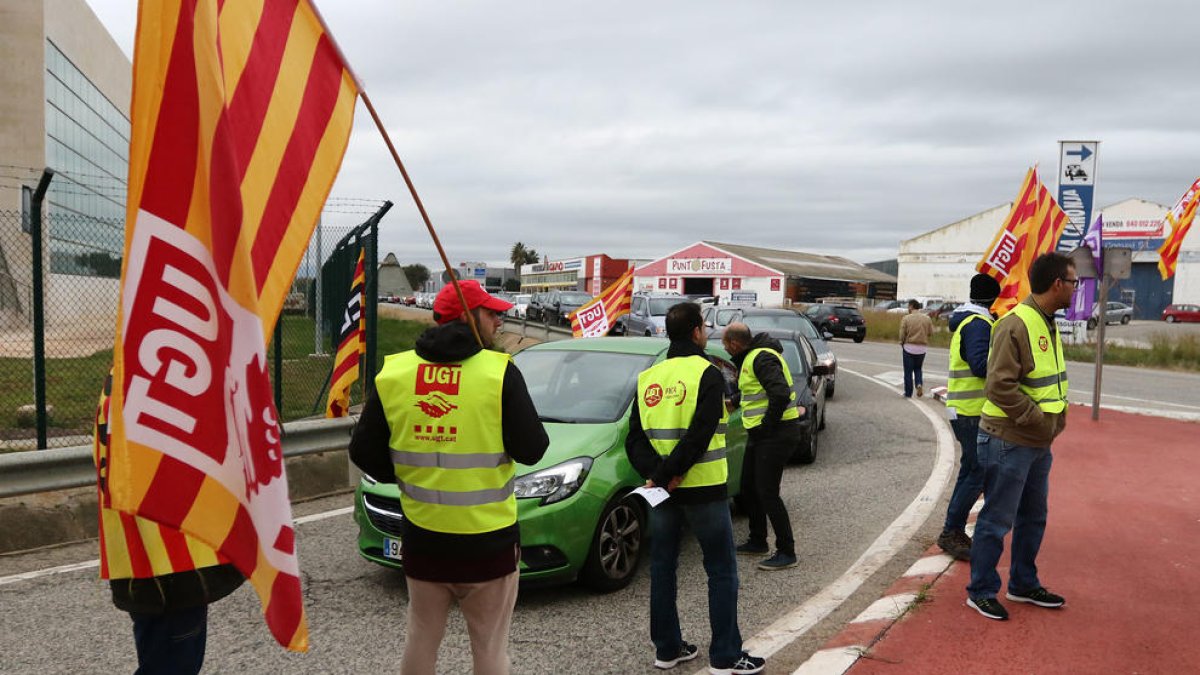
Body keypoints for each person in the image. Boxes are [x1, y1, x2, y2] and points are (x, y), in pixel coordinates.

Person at [349, 279, 549, 674]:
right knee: (490, 651)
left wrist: (410, 472)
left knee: (421, 641)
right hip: (489, 545)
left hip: (424, 540)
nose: (498, 321)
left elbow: (362, 451)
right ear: (467, 316)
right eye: (491, 313)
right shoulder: (499, 372)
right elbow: (533, 449)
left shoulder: (395, 373)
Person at [626, 303, 766, 675]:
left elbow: (634, 440)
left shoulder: (649, 377)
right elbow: (701, 433)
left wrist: (657, 475)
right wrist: (672, 473)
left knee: (662, 568)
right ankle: (725, 654)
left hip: (662, 492)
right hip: (703, 488)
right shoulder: (708, 373)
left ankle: (667, 649)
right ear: (696, 332)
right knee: (720, 570)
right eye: (703, 326)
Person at [93, 371, 245, 675]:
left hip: (138, 562)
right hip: (172, 568)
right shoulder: (159, 384)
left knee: (156, 658)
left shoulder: (123, 373)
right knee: (173, 665)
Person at [966, 253, 1073, 621]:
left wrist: (1052, 423)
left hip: (1037, 442)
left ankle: (1023, 583)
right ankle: (980, 590)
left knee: (1033, 516)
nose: (1077, 288)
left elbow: (1047, 381)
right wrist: (1035, 420)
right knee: (997, 519)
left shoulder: (1047, 321)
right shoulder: (1016, 323)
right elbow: (999, 385)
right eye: (1073, 282)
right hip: (1008, 439)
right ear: (1057, 283)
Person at [720, 322, 803, 571]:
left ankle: (787, 551)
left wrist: (766, 426)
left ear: (734, 344)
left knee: (767, 492)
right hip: (762, 434)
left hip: (776, 434)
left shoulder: (761, 357)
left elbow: (779, 394)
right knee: (748, 486)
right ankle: (758, 540)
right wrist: (734, 400)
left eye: (725, 345)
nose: (725, 349)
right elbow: (755, 391)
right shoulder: (751, 358)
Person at [937, 274, 1001, 561]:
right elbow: (979, 365)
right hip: (971, 412)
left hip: (964, 410)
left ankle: (954, 529)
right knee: (978, 473)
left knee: (971, 470)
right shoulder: (978, 325)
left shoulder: (969, 321)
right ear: (993, 298)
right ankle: (951, 531)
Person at [898, 299, 934, 397]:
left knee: (908, 371)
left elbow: (902, 333)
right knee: (918, 369)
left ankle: (908, 393)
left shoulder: (906, 318)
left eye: (908, 306)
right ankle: (919, 384)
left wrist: (901, 342)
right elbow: (931, 333)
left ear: (911, 306)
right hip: (922, 349)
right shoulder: (927, 318)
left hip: (909, 347)